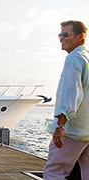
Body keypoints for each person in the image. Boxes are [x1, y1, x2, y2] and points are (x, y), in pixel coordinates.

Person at [43, 20, 89, 179]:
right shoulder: (87, 58)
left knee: (54, 172)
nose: (61, 38)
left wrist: (60, 125)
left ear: (80, 36)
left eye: (66, 34)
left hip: (73, 131)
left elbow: (71, 94)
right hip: (88, 132)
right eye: (59, 35)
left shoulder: (74, 59)